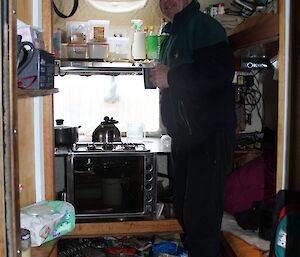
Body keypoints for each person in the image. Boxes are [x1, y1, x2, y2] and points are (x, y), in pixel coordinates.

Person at [150, 0, 236, 256]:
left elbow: (220, 72)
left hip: (208, 135)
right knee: (187, 210)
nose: (167, 2)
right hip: (186, 137)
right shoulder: (173, 32)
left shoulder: (204, 27)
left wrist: (171, 77)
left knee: (201, 217)